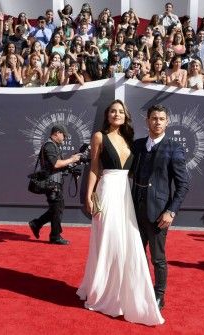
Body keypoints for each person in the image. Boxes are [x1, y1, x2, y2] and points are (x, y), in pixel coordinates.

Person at [77, 100, 164, 326]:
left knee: (126, 244)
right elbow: (94, 167)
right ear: (107, 115)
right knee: (108, 242)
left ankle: (121, 292)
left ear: (126, 117)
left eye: (121, 112)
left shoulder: (130, 141)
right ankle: (102, 292)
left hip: (126, 195)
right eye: (113, 111)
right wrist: (89, 196)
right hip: (107, 192)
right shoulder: (99, 136)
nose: (117, 114)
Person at [131, 104, 189, 312]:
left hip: (158, 214)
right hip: (133, 211)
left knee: (157, 257)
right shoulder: (137, 146)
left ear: (167, 122)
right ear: (147, 121)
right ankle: (140, 289)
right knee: (136, 255)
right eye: (154, 118)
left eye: (161, 119)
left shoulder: (174, 147)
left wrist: (171, 211)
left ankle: (159, 295)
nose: (157, 122)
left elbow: (183, 184)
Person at [28, 125, 81, 245]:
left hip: (55, 182)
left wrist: (72, 170)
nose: (65, 138)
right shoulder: (49, 145)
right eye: (64, 135)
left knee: (57, 208)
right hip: (51, 183)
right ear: (57, 133)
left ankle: (38, 224)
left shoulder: (54, 146)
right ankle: (54, 235)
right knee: (57, 208)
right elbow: (56, 164)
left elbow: (59, 165)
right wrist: (72, 159)